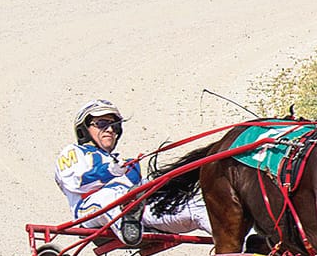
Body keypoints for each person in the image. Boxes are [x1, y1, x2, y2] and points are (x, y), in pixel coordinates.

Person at [54, 101, 208, 245]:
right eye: (102, 124)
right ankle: (128, 223)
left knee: (197, 207)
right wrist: (110, 171)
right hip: (89, 211)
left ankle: (225, 247)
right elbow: (75, 182)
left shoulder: (124, 164)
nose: (110, 130)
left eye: (114, 126)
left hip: (132, 208)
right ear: (84, 130)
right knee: (109, 197)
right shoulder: (73, 152)